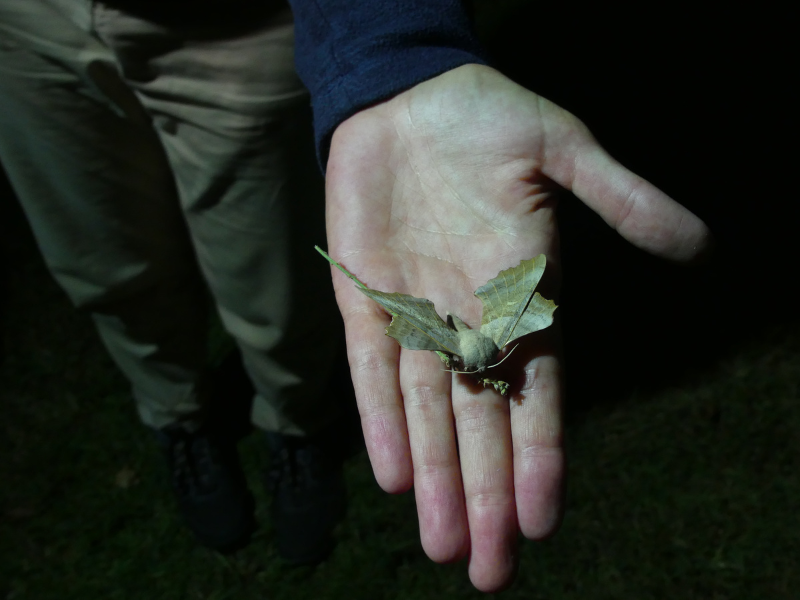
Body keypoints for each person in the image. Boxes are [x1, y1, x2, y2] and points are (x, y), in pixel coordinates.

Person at [0, 0, 712, 592]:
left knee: (275, 286)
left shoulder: (480, 334)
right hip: (21, 31)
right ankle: (175, 414)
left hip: (237, 25)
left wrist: (390, 46)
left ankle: (296, 425)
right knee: (107, 271)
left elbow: (474, 346)